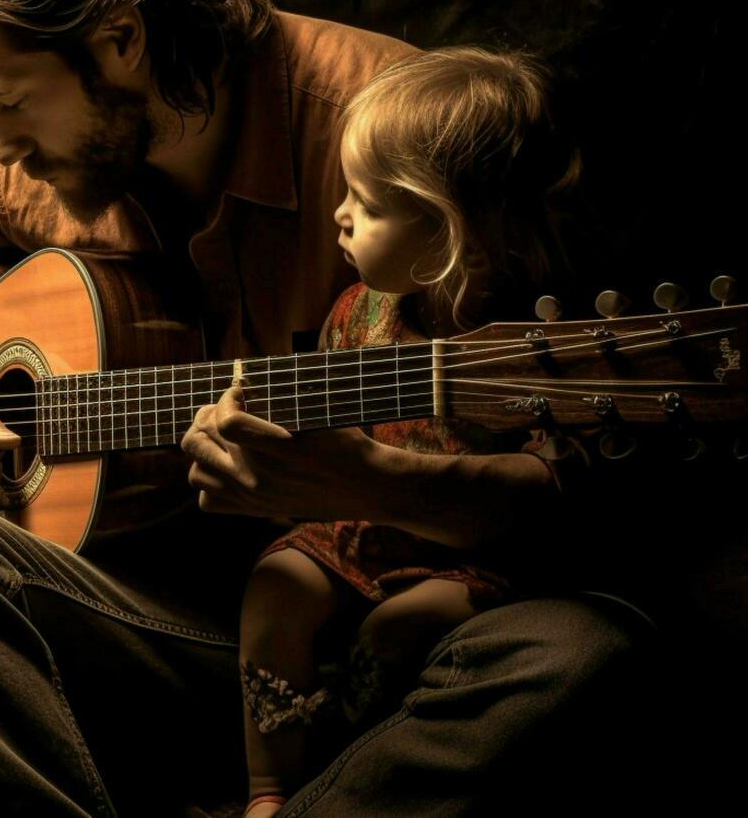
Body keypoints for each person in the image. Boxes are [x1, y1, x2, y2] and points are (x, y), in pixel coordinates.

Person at [0, 0, 652, 816]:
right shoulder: (28, 153)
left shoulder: (396, 138)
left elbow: (593, 508)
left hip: (395, 633)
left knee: (581, 654)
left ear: (121, 37)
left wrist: (368, 481)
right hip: (180, 633)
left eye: (9, 103)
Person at [229, 47, 583, 818]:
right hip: (352, 535)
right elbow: (317, 428)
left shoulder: (536, 338)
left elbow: (548, 498)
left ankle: (354, 760)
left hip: (467, 567)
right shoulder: (359, 310)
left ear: (459, 233)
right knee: (274, 586)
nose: (339, 216)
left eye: (368, 203)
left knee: (404, 625)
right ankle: (269, 789)